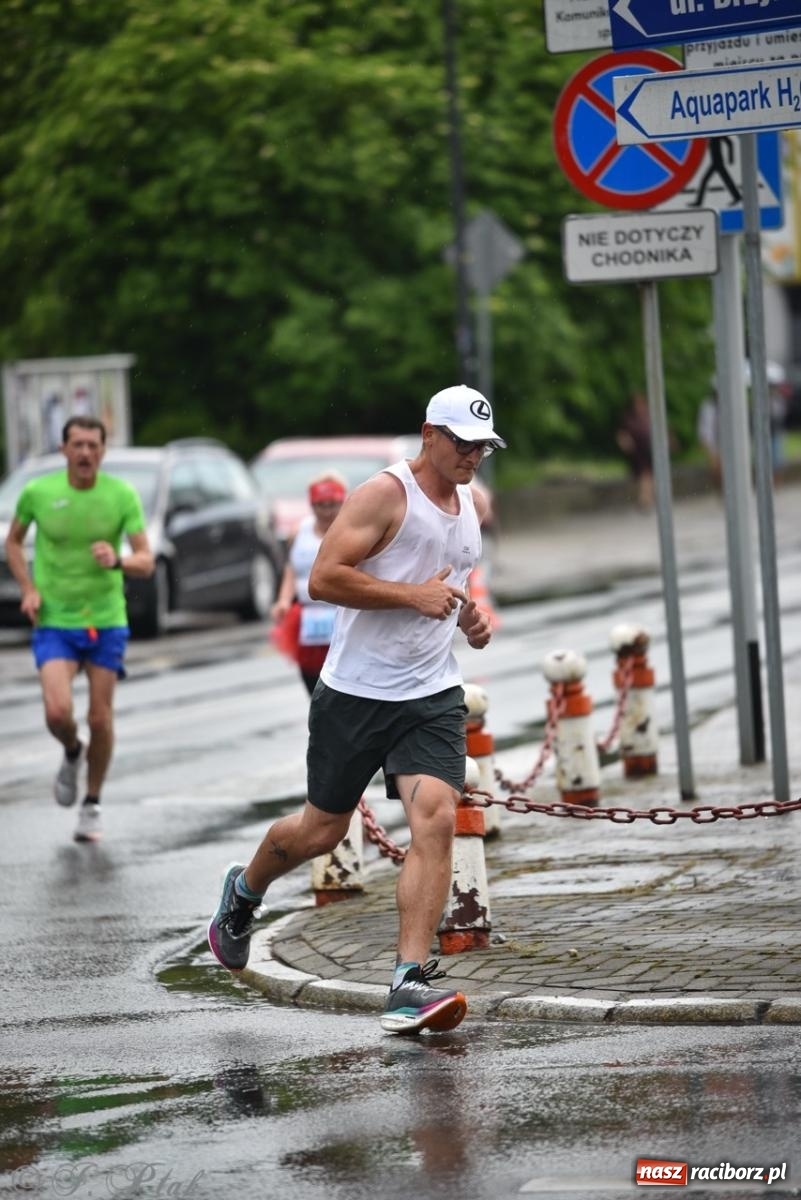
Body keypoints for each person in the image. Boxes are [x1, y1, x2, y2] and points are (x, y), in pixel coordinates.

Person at [208, 384, 504, 1035]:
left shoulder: (467, 507)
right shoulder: (383, 494)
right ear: (429, 434)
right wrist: (408, 598)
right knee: (317, 831)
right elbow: (322, 578)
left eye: (481, 446)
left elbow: (447, 592)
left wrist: (470, 621)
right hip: (354, 695)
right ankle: (244, 891)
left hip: (429, 694)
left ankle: (407, 981)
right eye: (461, 442)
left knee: (434, 818)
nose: (471, 456)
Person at [4, 416, 154, 843]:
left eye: (93, 445)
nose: (85, 452)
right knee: (57, 712)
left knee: (100, 718)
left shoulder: (121, 495)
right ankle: (72, 750)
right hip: (54, 619)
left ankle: (91, 803)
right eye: (78, 445)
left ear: (103, 451)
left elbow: (146, 559)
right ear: (64, 450)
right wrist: (28, 587)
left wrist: (119, 558)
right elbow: (13, 542)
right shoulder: (38, 493)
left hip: (106, 620)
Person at [269, 472, 348, 695]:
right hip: (309, 617)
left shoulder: (351, 531)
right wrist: (284, 600)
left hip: (341, 613)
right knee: (311, 679)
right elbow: (291, 569)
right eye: (319, 505)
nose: (326, 512)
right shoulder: (298, 531)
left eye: (332, 504)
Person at [615, 392, 654, 511]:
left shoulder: (649, 415)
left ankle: (646, 499)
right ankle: (644, 499)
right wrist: (625, 444)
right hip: (636, 451)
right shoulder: (628, 418)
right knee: (642, 475)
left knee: (647, 475)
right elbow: (621, 434)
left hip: (649, 449)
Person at [697, 389, 722, 492]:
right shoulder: (707, 406)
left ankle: (722, 489)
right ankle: (718, 488)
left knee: (722, 466)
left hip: (723, 442)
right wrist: (704, 441)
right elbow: (704, 426)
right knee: (715, 467)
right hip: (711, 440)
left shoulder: (724, 406)